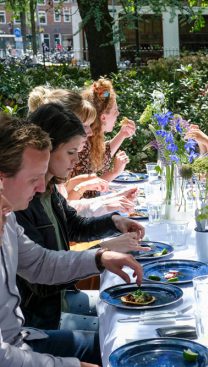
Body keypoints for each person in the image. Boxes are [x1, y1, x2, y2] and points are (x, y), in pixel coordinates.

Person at [0, 114, 143, 366]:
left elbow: (39, 263)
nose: (41, 188)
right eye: (34, 179)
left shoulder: (9, 216)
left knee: (129, 343)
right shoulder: (18, 212)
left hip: (24, 338)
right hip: (29, 337)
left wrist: (100, 258)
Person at [27, 86, 137, 217]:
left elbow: (65, 210)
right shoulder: (34, 179)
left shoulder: (50, 169)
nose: (90, 132)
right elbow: (66, 217)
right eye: (84, 126)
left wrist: (110, 201)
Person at [73, 78, 136, 197]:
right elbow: (87, 191)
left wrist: (122, 134)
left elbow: (103, 155)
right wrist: (114, 172)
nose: (118, 114)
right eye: (115, 111)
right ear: (103, 118)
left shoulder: (93, 137)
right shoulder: (83, 142)